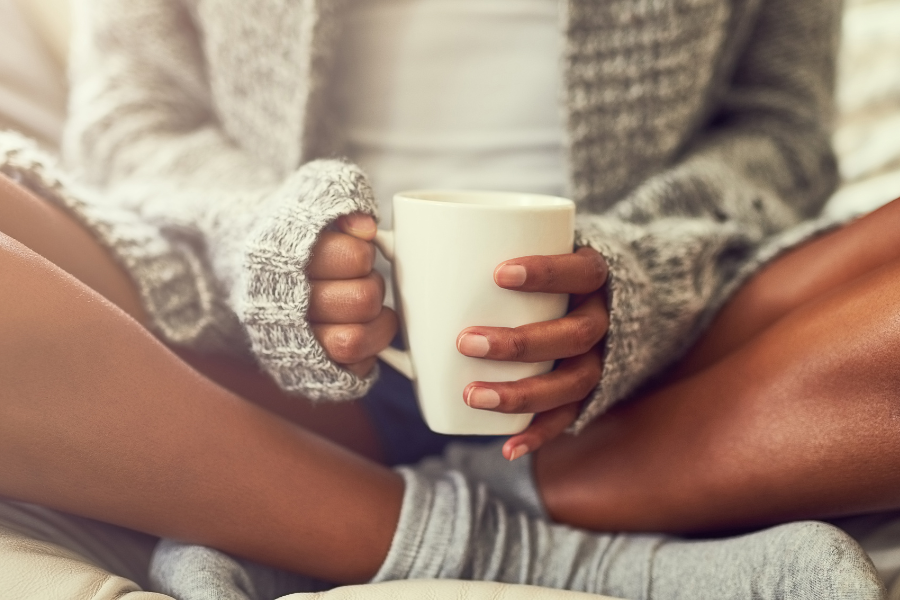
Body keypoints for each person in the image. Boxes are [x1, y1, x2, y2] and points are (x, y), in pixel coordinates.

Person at [0, 0, 894, 597]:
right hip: (256, 356)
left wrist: (642, 283)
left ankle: (287, 510)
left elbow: (780, 134)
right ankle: (502, 540)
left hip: (658, 380)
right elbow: (132, 125)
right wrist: (268, 248)